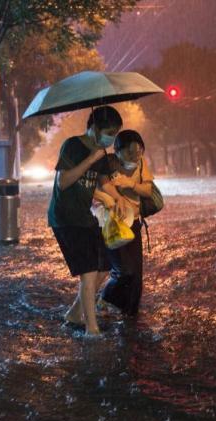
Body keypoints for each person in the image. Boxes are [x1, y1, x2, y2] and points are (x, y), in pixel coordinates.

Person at [48, 106, 131, 336]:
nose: (112, 138)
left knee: (105, 267)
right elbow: (62, 182)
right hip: (65, 218)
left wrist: (119, 199)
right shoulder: (72, 146)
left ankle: (75, 313)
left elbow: (104, 183)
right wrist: (90, 159)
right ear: (94, 128)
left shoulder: (102, 154)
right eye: (110, 132)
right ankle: (91, 329)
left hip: (85, 217)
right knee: (89, 272)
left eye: (115, 133)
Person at [98, 130, 155, 316]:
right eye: (130, 152)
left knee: (136, 277)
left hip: (134, 223)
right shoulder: (108, 164)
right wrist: (114, 190)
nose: (135, 156)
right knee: (123, 270)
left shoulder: (140, 164)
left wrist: (131, 184)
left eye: (139, 151)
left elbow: (148, 191)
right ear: (118, 150)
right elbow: (99, 190)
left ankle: (130, 314)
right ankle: (104, 298)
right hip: (113, 224)